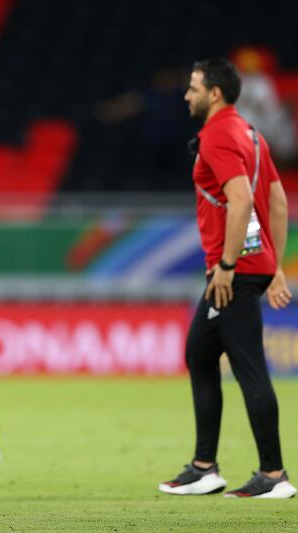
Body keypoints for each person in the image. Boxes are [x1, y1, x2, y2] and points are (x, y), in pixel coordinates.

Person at [159, 58, 296, 499]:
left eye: (193, 87)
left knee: (248, 366)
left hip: (231, 272)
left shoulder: (217, 134)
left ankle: (273, 475)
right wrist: (273, 267)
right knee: (200, 353)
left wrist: (229, 265)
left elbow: (240, 202)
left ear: (215, 93)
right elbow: (275, 202)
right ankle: (204, 467)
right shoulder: (251, 133)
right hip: (249, 267)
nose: (187, 95)